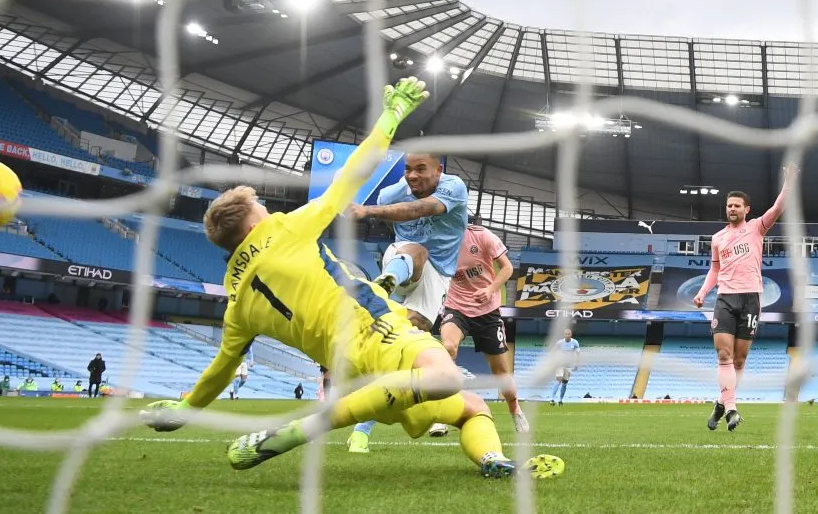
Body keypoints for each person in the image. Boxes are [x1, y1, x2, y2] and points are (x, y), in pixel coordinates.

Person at [139, 77, 558, 480]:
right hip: (377, 332)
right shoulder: (284, 230)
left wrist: (186, 408)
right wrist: (391, 116)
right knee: (446, 376)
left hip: (352, 380)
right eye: (262, 210)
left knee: (471, 407)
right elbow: (352, 173)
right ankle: (300, 430)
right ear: (253, 227)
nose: (270, 212)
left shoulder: (237, 305)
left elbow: (220, 370)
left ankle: (492, 459)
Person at [345, 150, 469, 446]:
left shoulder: (454, 187)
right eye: (408, 169)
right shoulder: (391, 194)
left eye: (421, 169)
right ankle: (383, 286)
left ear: (438, 170)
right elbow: (400, 215)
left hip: (438, 274)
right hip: (402, 260)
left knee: (409, 341)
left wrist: (368, 211)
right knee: (417, 250)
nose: (412, 176)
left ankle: (361, 431)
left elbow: (422, 209)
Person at [694, 163, 798, 431]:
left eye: (737, 205)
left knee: (739, 360)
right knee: (724, 355)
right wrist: (703, 292)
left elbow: (777, 209)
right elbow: (715, 269)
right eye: (729, 205)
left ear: (746, 209)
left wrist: (788, 183)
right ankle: (732, 409)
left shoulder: (756, 228)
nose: (732, 209)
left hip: (751, 298)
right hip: (725, 299)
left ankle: (721, 404)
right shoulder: (717, 238)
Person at [438, 223, 528, 434]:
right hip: (456, 307)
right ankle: (441, 412)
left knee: (501, 373)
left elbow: (507, 268)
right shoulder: (438, 239)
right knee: (447, 348)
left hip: (487, 312)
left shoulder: (482, 236)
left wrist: (490, 289)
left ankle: (515, 409)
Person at [551, 329, 580, 406]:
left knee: (564, 384)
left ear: (571, 334)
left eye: (569, 334)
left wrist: (577, 364)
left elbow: (578, 354)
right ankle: (552, 399)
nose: (567, 335)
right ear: (564, 335)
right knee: (558, 380)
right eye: (566, 334)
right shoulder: (560, 343)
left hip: (569, 365)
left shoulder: (575, 342)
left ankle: (560, 400)